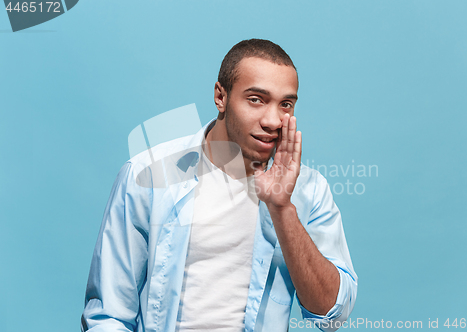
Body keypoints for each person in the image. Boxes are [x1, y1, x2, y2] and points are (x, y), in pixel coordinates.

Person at [81, 39, 357, 332]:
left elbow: (331, 315)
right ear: (220, 97)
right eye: (256, 99)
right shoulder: (147, 176)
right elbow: (108, 316)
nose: (273, 120)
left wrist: (282, 208)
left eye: (285, 104)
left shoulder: (309, 190)